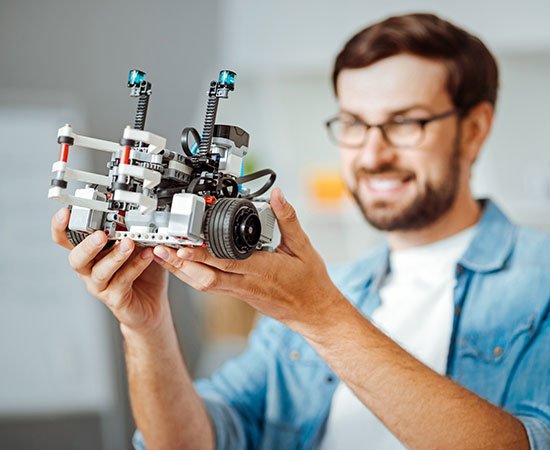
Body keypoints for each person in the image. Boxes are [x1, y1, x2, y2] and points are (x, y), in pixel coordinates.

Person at [51, 13, 549, 450]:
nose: (372, 155)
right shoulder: (339, 286)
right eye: (354, 124)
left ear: (475, 129)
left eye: (406, 123)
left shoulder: (538, 284)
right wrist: (147, 328)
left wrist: (321, 317)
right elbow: (191, 442)